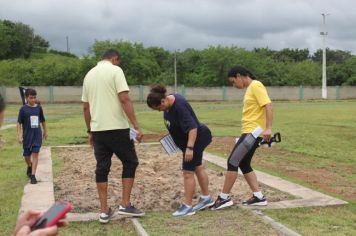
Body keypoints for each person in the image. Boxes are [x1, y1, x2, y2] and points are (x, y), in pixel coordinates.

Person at [82, 49, 145, 223]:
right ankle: (125, 204)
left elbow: (86, 108)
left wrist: (90, 131)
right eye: (118, 61)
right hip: (117, 128)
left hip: (98, 130)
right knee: (130, 162)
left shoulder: (88, 75)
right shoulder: (116, 71)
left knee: (102, 168)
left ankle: (104, 211)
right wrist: (136, 126)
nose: (118, 64)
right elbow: (124, 98)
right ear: (114, 58)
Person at [211, 65, 273, 210]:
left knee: (232, 161)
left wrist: (269, 128)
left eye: (233, 81)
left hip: (253, 132)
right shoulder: (250, 89)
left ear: (239, 76)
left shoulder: (256, 85)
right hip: (249, 132)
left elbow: (268, 106)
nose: (233, 85)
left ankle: (224, 198)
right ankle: (258, 196)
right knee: (244, 164)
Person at [147, 85, 214, 217]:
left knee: (188, 172)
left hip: (196, 139)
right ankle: (206, 198)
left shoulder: (179, 106)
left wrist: (190, 148)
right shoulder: (169, 103)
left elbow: (192, 128)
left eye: (158, 108)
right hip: (190, 141)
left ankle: (188, 206)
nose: (160, 111)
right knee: (198, 167)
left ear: (162, 101)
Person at [17, 89, 48, 184]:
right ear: (26, 98)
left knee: (35, 154)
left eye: (34, 97)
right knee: (26, 155)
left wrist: (45, 131)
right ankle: (29, 165)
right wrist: (19, 135)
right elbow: (19, 123)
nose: (33, 99)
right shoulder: (23, 109)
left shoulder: (39, 108)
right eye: (31, 98)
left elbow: (43, 121)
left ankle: (33, 176)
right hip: (27, 135)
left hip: (37, 135)